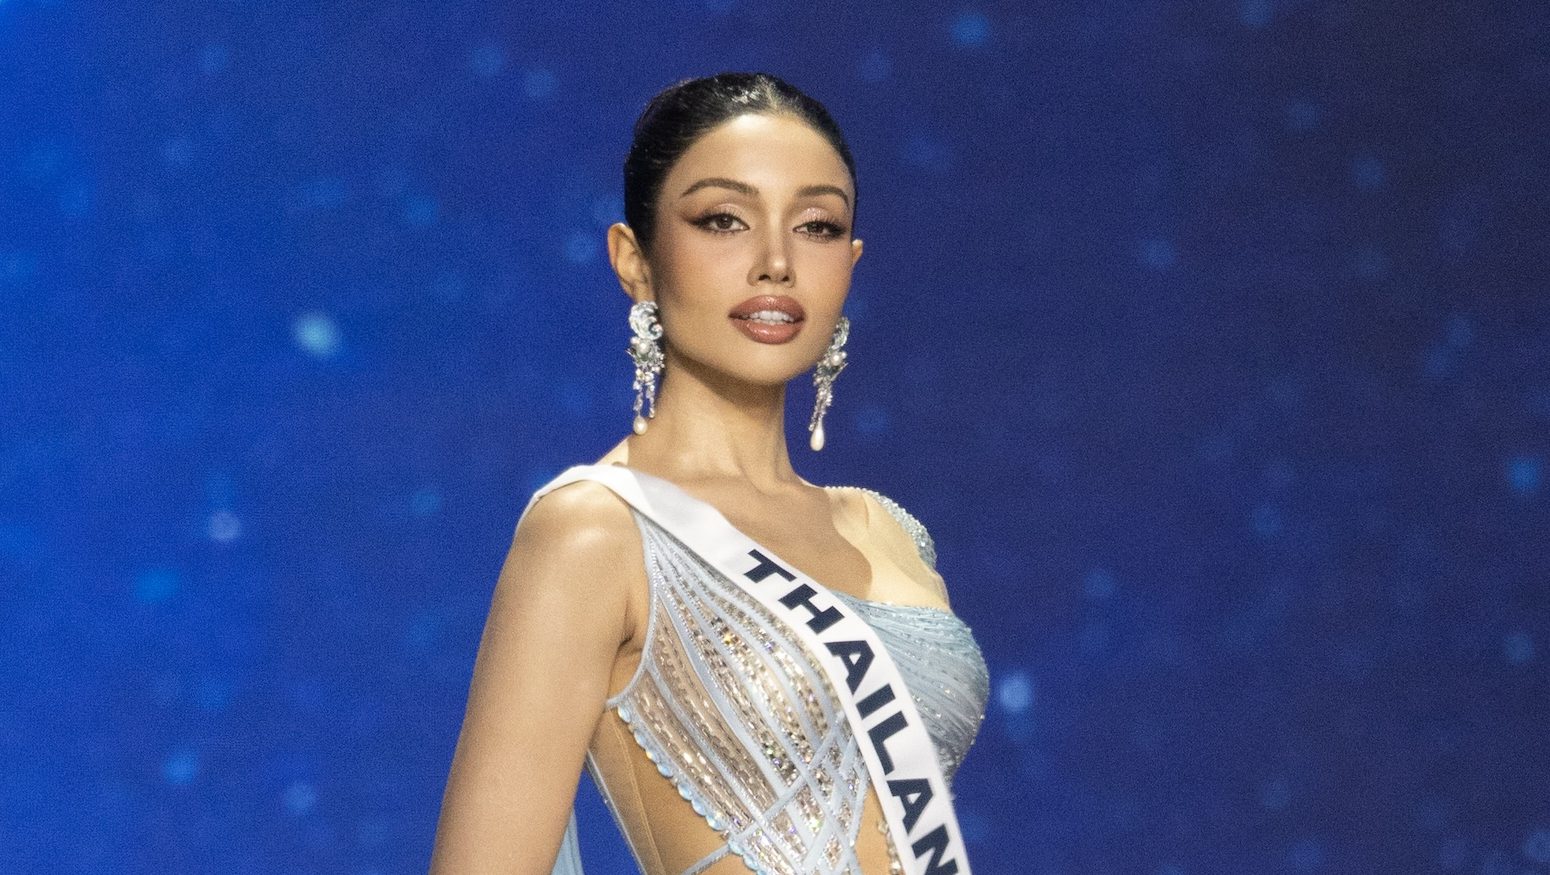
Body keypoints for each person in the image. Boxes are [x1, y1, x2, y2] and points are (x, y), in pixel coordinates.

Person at [428, 72, 990, 875]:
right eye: (724, 219)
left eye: (818, 226)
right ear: (635, 260)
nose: (776, 263)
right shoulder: (596, 531)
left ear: (851, 263)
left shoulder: (889, 531)